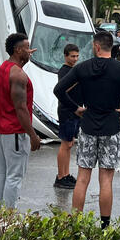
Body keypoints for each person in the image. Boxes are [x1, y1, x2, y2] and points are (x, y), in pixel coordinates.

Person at [54, 30, 120, 227]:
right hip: (111, 127)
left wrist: (76, 108)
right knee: (106, 179)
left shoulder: (82, 67)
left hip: (88, 125)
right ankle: (105, 226)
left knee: (83, 177)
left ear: (96, 46)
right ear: (110, 47)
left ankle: (76, 224)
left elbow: (59, 90)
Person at [0, 32, 42, 229]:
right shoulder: (18, 75)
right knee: (14, 176)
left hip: (0, 129)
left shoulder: (4, 67)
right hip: (15, 131)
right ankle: (8, 218)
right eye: (27, 48)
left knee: (0, 173)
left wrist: (26, 56)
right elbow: (20, 108)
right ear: (18, 50)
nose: (30, 51)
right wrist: (33, 135)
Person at [52, 43, 82, 189]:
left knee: (69, 144)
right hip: (67, 112)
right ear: (65, 56)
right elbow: (62, 89)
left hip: (75, 112)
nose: (75, 59)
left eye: (77, 56)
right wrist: (77, 79)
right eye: (72, 56)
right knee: (65, 144)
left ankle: (66, 173)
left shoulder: (73, 70)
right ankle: (60, 176)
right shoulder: (64, 71)